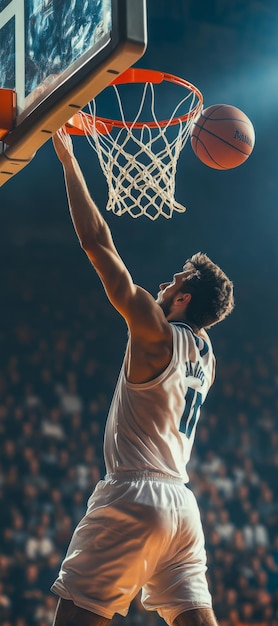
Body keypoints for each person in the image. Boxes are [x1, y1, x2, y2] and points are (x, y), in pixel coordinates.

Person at [50, 129, 234, 626]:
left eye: (172, 282)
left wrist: (68, 158)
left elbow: (97, 243)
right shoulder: (208, 354)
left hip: (133, 494)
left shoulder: (155, 334)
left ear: (183, 300)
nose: (162, 285)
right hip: (182, 506)